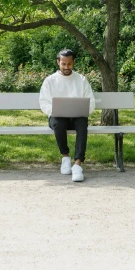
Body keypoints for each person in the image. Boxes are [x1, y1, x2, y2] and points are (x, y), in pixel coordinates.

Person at [39, 48, 96, 182]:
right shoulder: (50, 81)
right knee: (59, 123)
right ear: (58, 62)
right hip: (58, 117)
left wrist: (84, 110)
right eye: (63, 64)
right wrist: (55, 111)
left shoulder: (81, 80)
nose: (66, 67)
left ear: (73, 63)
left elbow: (91, 101)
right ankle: (65, 157)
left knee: (82, 123)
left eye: (69, 64)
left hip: (77, 117)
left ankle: (77, 164)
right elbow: (44, 102)